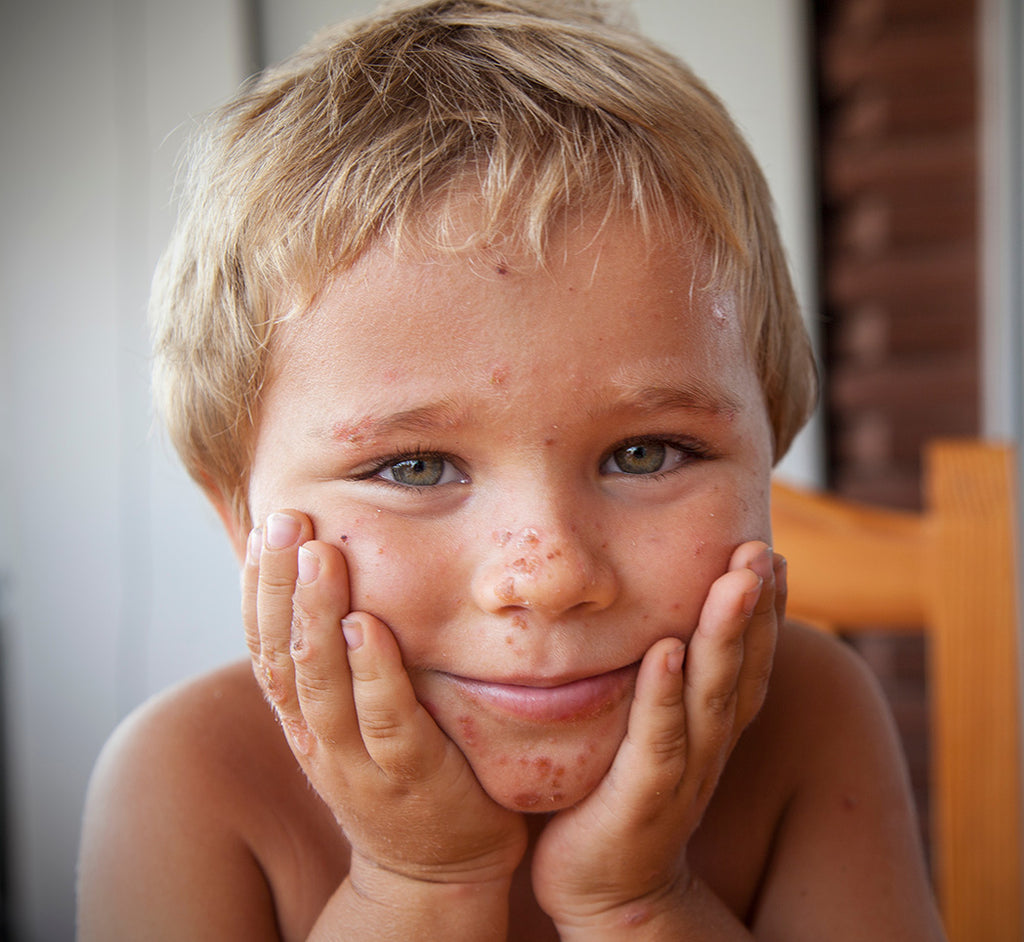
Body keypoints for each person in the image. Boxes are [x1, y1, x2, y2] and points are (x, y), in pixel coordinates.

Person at [76, 1, 945, 938]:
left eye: (644, 454)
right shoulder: (188, 777)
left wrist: (638, 905)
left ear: (769, 447)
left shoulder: (811, 719)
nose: (551, 574)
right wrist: (418, 885)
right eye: (413, 467)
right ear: (240, 519)